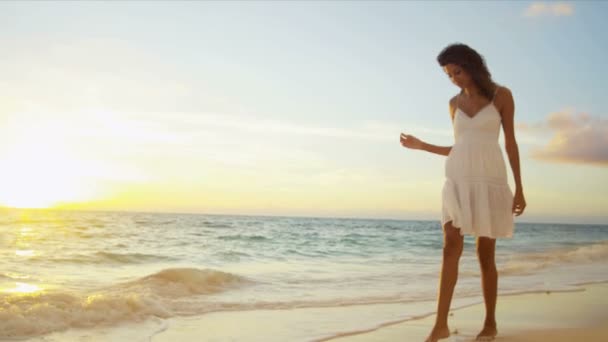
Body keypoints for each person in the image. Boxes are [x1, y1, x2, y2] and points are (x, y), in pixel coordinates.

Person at [400, 43, 526, 342]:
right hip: (457, 178)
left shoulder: (501, 95)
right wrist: (423, 146)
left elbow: (510, 142)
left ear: (471, 65)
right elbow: (461, 148)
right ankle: (440, 325)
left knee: (485, 255)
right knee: (450, 245)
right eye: (448, 75)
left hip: (489, 179)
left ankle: (490, 323)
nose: (454, 78)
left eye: (457, 71)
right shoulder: (453, 103)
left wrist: (519, 188)